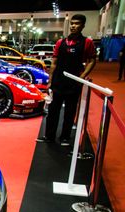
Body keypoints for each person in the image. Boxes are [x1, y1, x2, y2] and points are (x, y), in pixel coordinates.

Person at [36, 14, 96, 146]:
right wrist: (50, 81)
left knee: (70, 112)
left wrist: (82, 77)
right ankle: (49, 136)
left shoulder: (87, 42)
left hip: (74, 82)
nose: (74, 26)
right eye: (72, 23)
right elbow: (54, 63)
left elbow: (92, 60)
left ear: (83, 25)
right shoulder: (60, 42)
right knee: (53, 111)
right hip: (58, 81)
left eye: (77, 23)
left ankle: (65, 137)